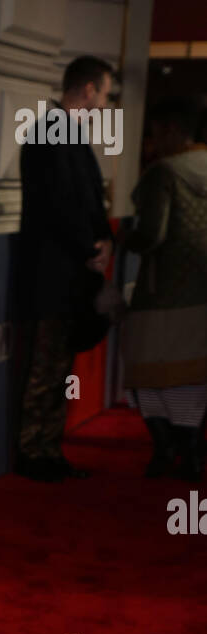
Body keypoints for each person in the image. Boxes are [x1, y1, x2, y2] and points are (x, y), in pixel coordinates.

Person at [15, 56, 117, 482]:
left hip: (65, 272)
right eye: (106, 93)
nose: (105, 103)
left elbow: (82, 201)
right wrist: (90, 246)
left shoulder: (62, 132)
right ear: (89, 89)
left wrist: (99, 244)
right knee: (47, 367)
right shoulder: (50, 132)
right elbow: (58, 204)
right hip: (52, 274)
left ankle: (47, 449)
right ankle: (34, 452)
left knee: (57, 367)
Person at [121, 98, 207, 481]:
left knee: (148, 372)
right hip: (202, 294)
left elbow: (150, 235)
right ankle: (191, 453)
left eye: (155, 133)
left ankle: (164, 448)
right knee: (193, 375)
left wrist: (125, 238)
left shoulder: (163, 174)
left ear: (171, 130)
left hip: (161, 293)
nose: (152, 142)